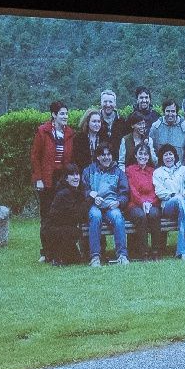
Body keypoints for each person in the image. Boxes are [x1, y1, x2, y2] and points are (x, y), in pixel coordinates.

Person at [30, 100, 74, 260]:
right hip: (47, 178)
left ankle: (60, 250)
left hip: (62, 178)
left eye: (66, 113)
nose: (65, 116)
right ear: (53, 115)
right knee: (47, 215)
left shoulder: (69, 132)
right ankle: (46, 251)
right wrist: (38, 179)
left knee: (61, 214)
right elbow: (35, 157)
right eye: (62, 113)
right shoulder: (43, 131)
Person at [152, 144, 185, 260]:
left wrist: (184, 195)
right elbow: (159, 192)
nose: (168, 157)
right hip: (168, 206)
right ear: (161, 158)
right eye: (165, 155)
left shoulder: (183, 170)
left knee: (183, 215)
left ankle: (184, 253)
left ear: (175, 156)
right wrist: (174, 195)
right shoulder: (158, 172)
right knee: (179, 200)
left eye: (170, 154)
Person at [82, 146, 129, 265]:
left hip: (111, 206)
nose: (106, 157)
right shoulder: (89, 170)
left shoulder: (118, 172)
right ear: (98, 157)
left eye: (108, 154)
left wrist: (119, 202)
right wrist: (92, 198)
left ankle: (122, 255)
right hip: (95, 205)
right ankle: (95, 257)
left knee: (118, 217)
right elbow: (83, 190)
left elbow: (125, 193)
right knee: (95, 216)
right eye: (103, 155)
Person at [122, 139, 165, 258]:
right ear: (135, 155)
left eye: (145, 154)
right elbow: (131, 189)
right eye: (140, 153)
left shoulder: (152, 171)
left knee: (154, 215)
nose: (143, 156)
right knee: (141, 216)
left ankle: (156, 250)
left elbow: (156, 189)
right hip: (134, 204)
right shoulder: (129, 170)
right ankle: (143, 251)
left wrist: (150, 203)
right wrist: (142, 203)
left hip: (151, 203)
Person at [40, 170, 86, 265]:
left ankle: (57, 255)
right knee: (74, 232)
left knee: (76, 260)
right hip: (55, 230)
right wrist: (90, 200)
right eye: (72, 175)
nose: (76, 177)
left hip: (64, 228)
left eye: (77, 174)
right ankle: (56, 256)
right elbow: (77, 214)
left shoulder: (73, 191)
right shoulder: (64, 193)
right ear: (66, 178)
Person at [148, 99, 185, 169]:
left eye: (173, 111)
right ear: (163, 112)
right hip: (160, 169)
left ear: (176, 112)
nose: (170, 114)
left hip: (179, 170)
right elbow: (150, 149)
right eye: (168, 111)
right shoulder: (155, 127)